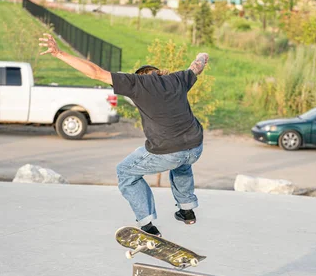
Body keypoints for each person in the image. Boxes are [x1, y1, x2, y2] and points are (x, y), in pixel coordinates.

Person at [39, 33, 209, 236]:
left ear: (141, 75)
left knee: (126, 172)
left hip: (167, 151)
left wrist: (59, 53)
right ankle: (187, 210)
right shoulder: (178, 79)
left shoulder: (137, 83)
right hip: (195, 147)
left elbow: (95, 72)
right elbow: (197, 66)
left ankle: (147, 225)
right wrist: (203, 54)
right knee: (182, 163)